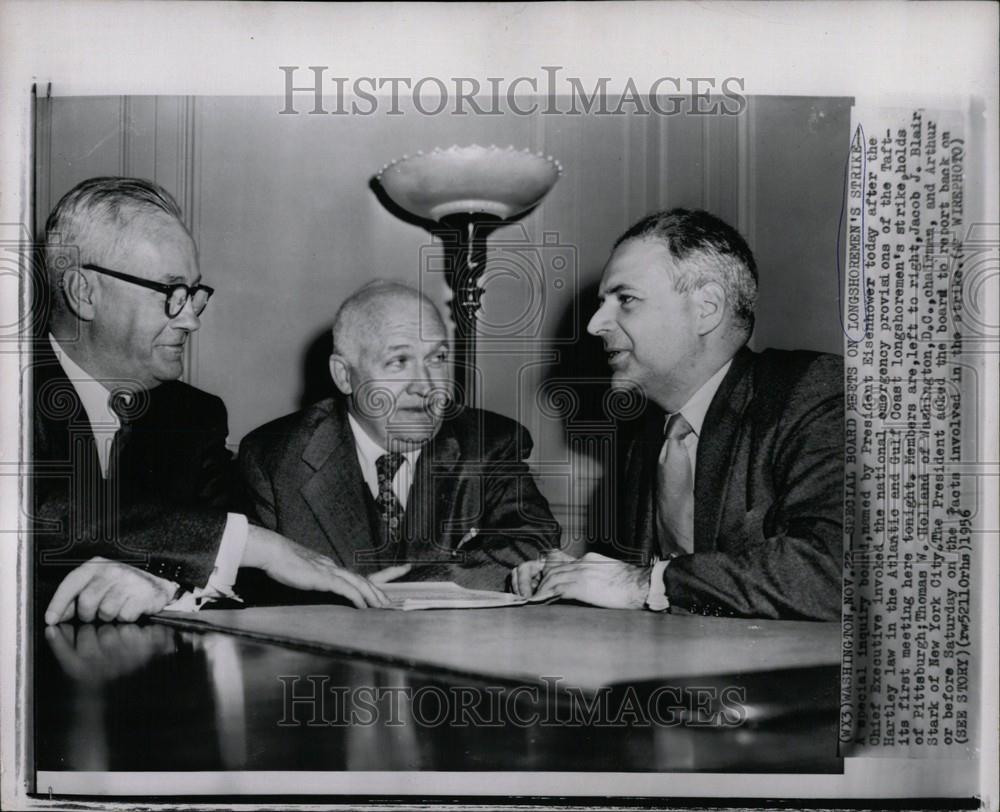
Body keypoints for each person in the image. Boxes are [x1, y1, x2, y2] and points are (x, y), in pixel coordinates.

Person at [35, 177, 401, 625]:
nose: (191, 319)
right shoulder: (11, 393)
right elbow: (38, 512)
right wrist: (251, 544)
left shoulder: (192, 418)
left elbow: (235, 570)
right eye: (170, 293)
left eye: (193, 294)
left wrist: (163, 581)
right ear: (83, 292)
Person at [513, 209, 843, 620]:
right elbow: (642, 588)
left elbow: (838, 571)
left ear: (706, 308)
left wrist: (641, 584)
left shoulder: (815, 393)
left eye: (626, 300)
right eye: (602, 303)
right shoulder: (649, 437)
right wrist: (569, 580)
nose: (596, 324)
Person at [238, 280, 560, 593]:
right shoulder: (275, 458)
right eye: (399, 362)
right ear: (344, 375)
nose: (425, 385)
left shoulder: (490, 443)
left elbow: (533, 543)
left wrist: (397, 591)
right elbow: (255, 591)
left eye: (437, 359)